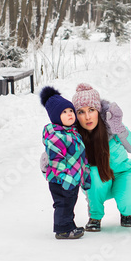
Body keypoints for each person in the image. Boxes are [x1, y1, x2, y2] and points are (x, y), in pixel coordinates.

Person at [70, 83, 131, 232]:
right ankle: (95, 216)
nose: (88, 116)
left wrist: (120, 129)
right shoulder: (75, 136)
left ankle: (127, 212)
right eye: (81, 112)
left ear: (99, 110)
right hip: (99, 180)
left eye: (91, 110)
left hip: (122, 174)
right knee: (92, 175)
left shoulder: (112, 126)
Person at [39, 86, 92, 239]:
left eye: (70, 111)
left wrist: (85, 175)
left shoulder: (72, 132)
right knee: (63, 203)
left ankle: (69, 225)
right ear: (56, 116)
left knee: (70, 202)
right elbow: (56, 161)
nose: (69, 114)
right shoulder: (56, 137)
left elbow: (81, 157)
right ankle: (62, 230)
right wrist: (65, 178)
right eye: (64, 112)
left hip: (72, 178)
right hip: (60, 180)